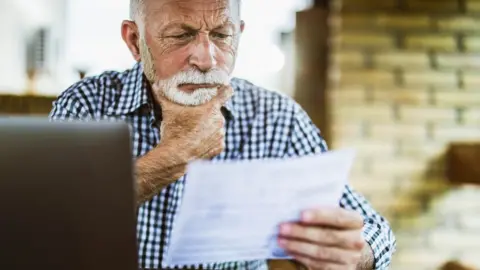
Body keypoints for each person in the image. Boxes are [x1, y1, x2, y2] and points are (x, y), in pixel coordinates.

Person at [49, 0, 396, 269]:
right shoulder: (88, 104)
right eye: (181, 35)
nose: (206, 58)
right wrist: (177, 153)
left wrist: (353, 253)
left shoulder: (275, 116)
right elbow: (47, 221)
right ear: (135, 41)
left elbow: (375, 232)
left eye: (221, 35)